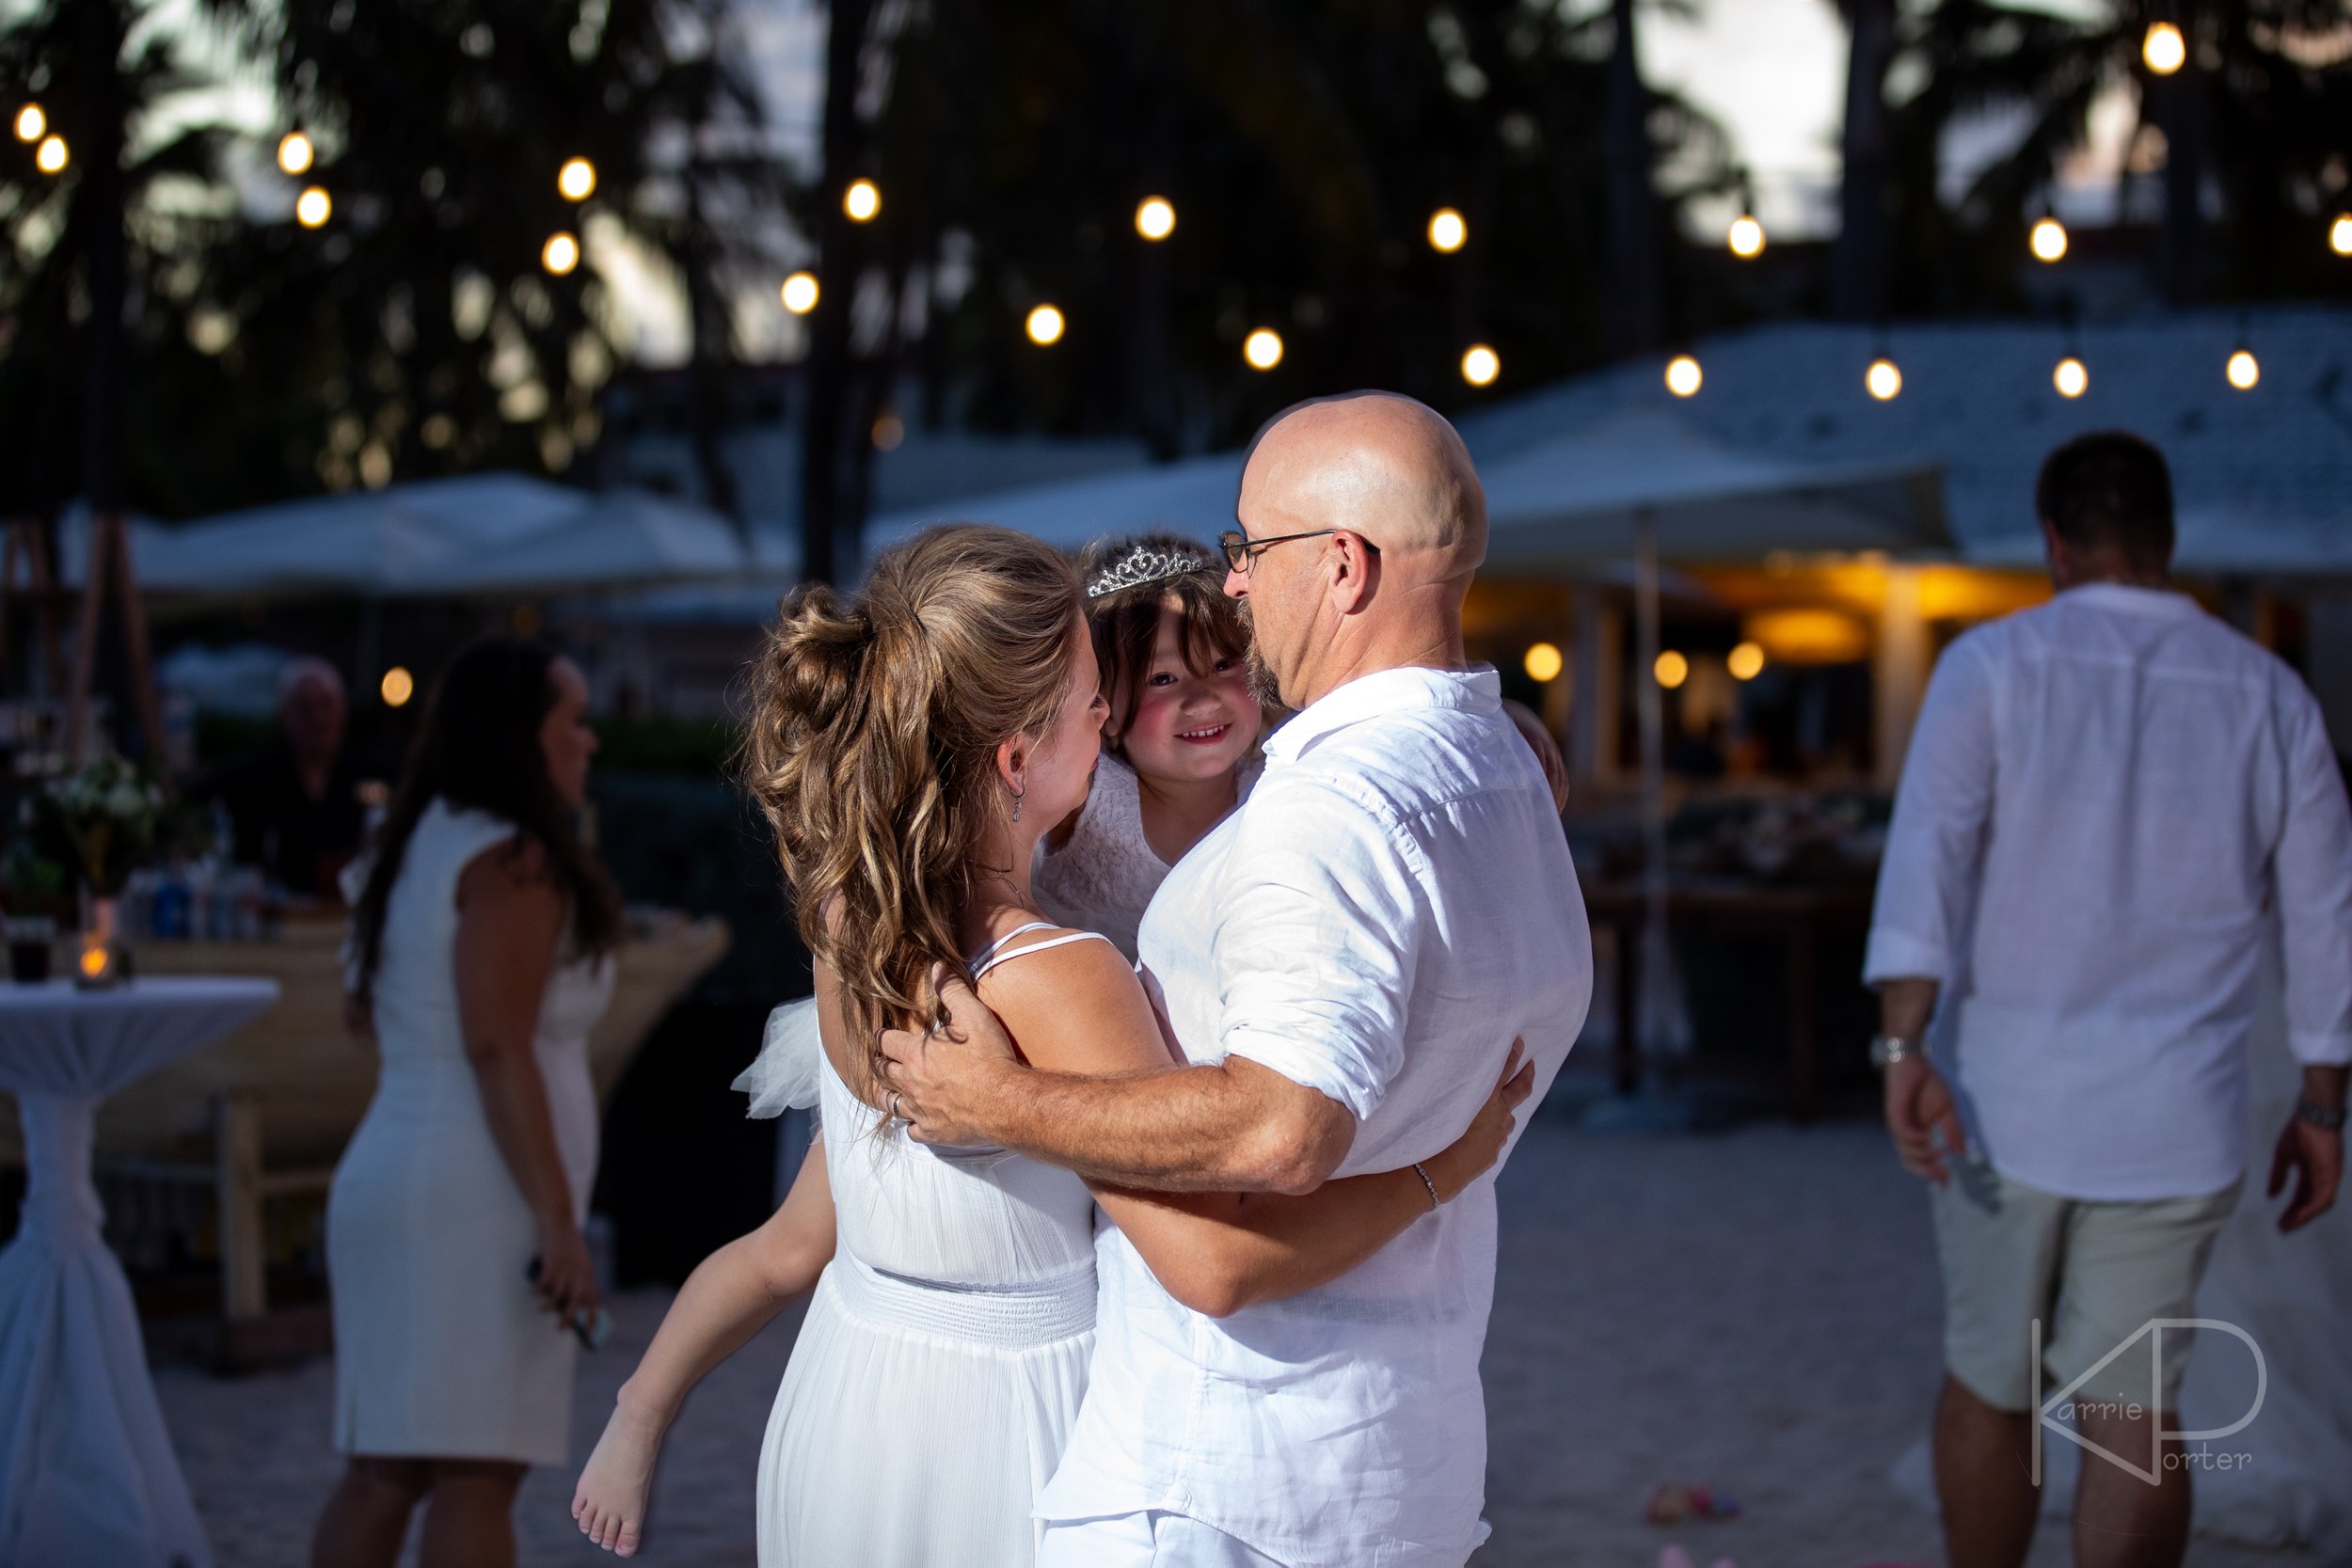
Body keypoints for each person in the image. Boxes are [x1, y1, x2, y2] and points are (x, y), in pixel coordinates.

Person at [567, 523, 1533, 1563]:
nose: (1108, 715)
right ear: (1018, 755)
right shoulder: (1065, 973)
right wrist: (1443, 1167)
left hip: (846, 1402)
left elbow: (801, 1237)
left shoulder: (854, 922)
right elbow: (1213, 1259)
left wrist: (642, 1406)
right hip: (1010, 1422)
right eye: (1091, 700)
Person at [879, 392, 1595, 1568]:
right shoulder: (1508, 781)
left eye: (1251, 551)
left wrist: (998, 1104)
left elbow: (1280, 1130)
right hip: (1400, 1450)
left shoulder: (1325, 805)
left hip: (1226, 1478)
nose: (1242, 584)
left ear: (1346, 566)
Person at [1865, 431, 2352, 1568]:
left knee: (1990, 1379)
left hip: (2002, 1104)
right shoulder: (2266, 690)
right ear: (2167, 542)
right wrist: (2323, 1102)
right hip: (2175, 1116)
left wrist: (1901, 1048)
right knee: (2131, 1412)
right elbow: (2328, 906)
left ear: (2052, 542)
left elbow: (1924, 861)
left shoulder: (1989, 666)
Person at [313, 637, 623, 1568]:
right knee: (474, 1473)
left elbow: (367, 1010)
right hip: (474, 1196)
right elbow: (495, 1043)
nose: (591, 740)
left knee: (388, 1466)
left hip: (404, 1169)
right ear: (521, 737)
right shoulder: (512, 861)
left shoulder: (415, 838)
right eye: (573, 720)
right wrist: (559, 1224)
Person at [1041, 531, 1568, 960]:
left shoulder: (1283, 773)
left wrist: (1501, 716)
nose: (1202, 698)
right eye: (1161, 679)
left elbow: (1390, 711)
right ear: (1102, 708)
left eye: (1224, 665)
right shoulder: (1081, 794)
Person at [197, 655, 370, 897]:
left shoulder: (368, 773)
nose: (318, 718)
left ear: (342, 711)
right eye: (305, 708)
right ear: (284, 714)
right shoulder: (253, 778)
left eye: (326, 705)